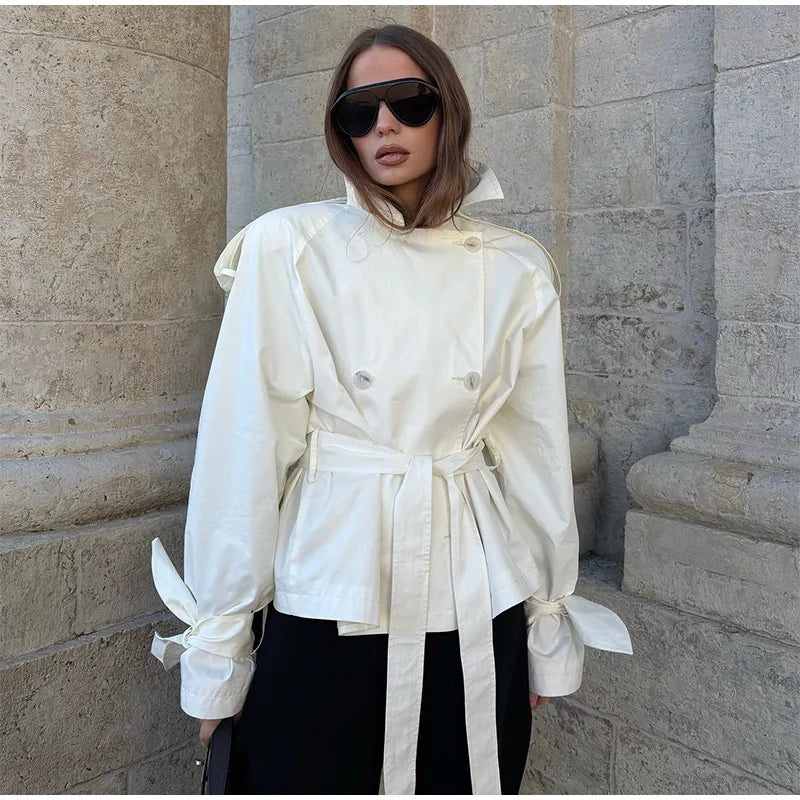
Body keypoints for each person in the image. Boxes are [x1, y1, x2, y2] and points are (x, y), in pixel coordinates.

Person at [148, 23, 633, 795]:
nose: (384, 125)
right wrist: (220, 656)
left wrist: (543, 623)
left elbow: (534, 454)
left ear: (447, 111)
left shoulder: (516, 268)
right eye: (358, 110)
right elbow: (245, 450)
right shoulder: (289, 247)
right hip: (332, 582)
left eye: (408, 101)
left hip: (477, 592)